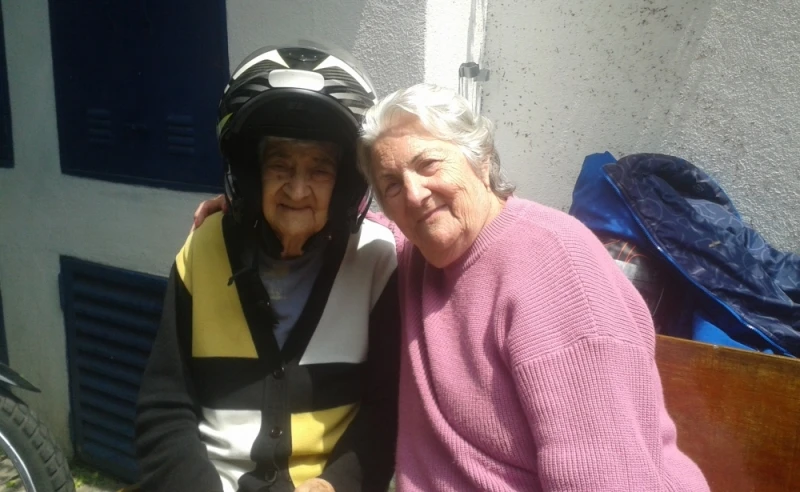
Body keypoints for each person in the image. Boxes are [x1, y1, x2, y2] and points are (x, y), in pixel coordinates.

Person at [193, 83, 710, 491]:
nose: (414, 194)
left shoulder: (556, 268)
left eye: (428, 164)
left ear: (480, 159)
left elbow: (604, 476)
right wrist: (254, 208)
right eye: (391, 184)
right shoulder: (415, 254)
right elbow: (349, 217)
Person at [135, 44, 400, 492]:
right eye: (280, 165)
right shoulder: (204, 248)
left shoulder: (376, 258)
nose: (297, 190)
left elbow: (385, 409)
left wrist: (333, 485)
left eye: (320, 170)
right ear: (251, 173)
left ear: (344, 183)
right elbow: (164, 407)